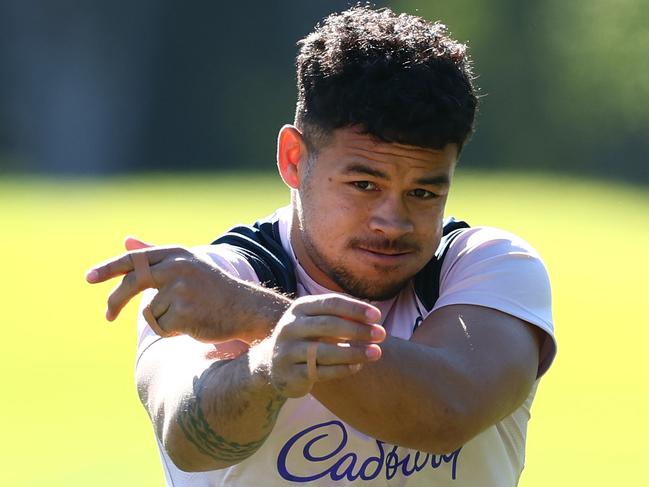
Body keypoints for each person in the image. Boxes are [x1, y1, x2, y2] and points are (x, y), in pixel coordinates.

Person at [86, 6, 556, 486]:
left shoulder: (492, 268)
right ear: (294, 160)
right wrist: (266, 370)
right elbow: (186, 435)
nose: (392, 222)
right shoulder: (212, 278)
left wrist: (260, 317)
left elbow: (447, 411)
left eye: (423, 193)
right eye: (363, 184)